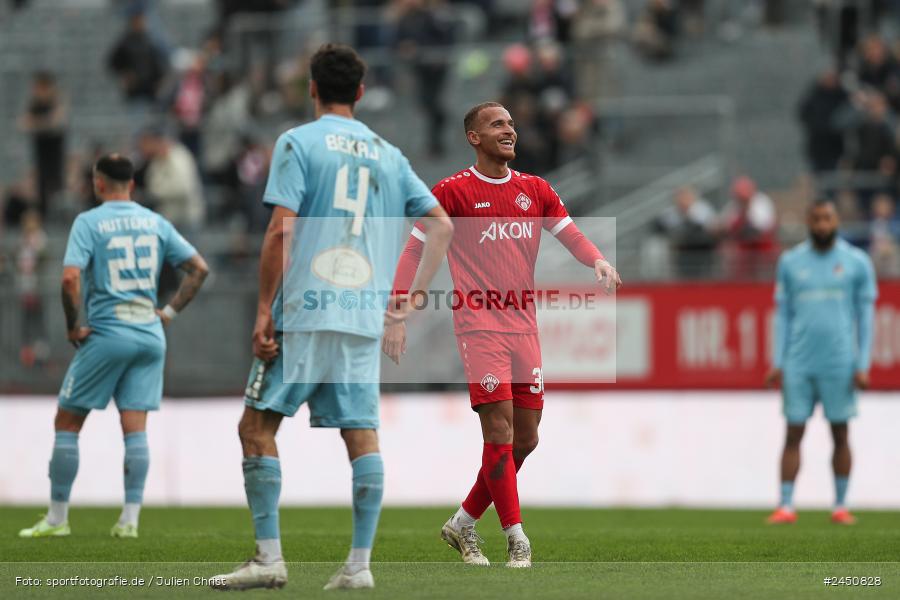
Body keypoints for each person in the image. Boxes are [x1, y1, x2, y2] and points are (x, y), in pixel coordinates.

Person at [211, 44, 453, 591]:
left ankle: (269, 559)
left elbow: (279, 229)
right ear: (362, 93)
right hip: (364, 314)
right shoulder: (389, 155)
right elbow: (442, 224)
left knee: (256, 427)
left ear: (311, 88)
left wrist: (262, 309)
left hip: (306, 306)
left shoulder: (298, 142)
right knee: (362, 436)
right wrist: (410, 299)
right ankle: (359, 566)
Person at [384, 102, 622, 568]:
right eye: (497, 124)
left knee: (526, 440)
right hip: (479, 325)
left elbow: (571, 234)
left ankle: (462, 522)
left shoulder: (534, 189)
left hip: (523, 325)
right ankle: (516, 537)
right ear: (474, 137)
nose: (509, 129)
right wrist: (397, 312)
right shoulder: (451, 192)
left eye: (512, 123)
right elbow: (414, 252)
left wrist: (596, 258)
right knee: (498, 429)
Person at [17, 154, 209, 539]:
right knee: (135, 427)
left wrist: (74, 326)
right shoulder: (155, 221)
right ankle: (130, 521)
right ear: (133, 185)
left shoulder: (89, 222)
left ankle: (57, 519)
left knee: (67, 422)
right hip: (151, 335)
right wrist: (168, 313)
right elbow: (199, 269)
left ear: (98, 183)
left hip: (109, 331)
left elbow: (70, 278)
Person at [765, 199, 877, 526]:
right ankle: (786, 505)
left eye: (827, 219)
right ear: (808, 222)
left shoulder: (856, 262)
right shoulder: (790, 261)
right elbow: (782, 315)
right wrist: (778, 361)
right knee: (792, 432)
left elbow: (866, 317)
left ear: (836, 220)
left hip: (840, 362)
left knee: (840, 432)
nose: (822, 225)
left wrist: (863, 364)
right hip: (799, 362)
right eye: (816, 219)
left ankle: (840, 505)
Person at [18, 71, 67, 219]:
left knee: (56, 188)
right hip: (40, 155)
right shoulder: (34, 104)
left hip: (56, 156)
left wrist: (37, 123)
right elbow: (23, 123)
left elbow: (56, 121)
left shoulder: (56, 101)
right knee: (40, 190)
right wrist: (44, 123)